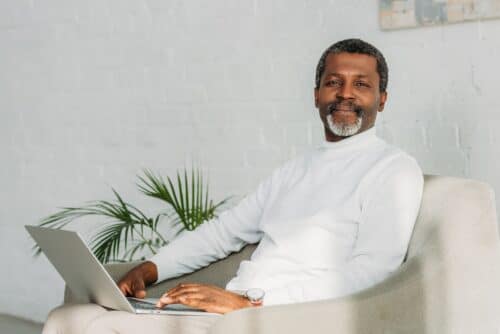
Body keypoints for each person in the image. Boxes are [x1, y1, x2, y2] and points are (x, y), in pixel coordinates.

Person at [42, 38, 423, 334]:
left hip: (287, 318)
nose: (345, 94)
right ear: (316, 95)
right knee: (72, 319)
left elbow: (372, 273)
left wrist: (251, 302)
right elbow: (223, 232)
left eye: (361, 85)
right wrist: (151, 268)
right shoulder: (295, 170)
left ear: (382, 100)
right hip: (230, 313)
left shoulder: (393, 170)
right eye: (333, 82)